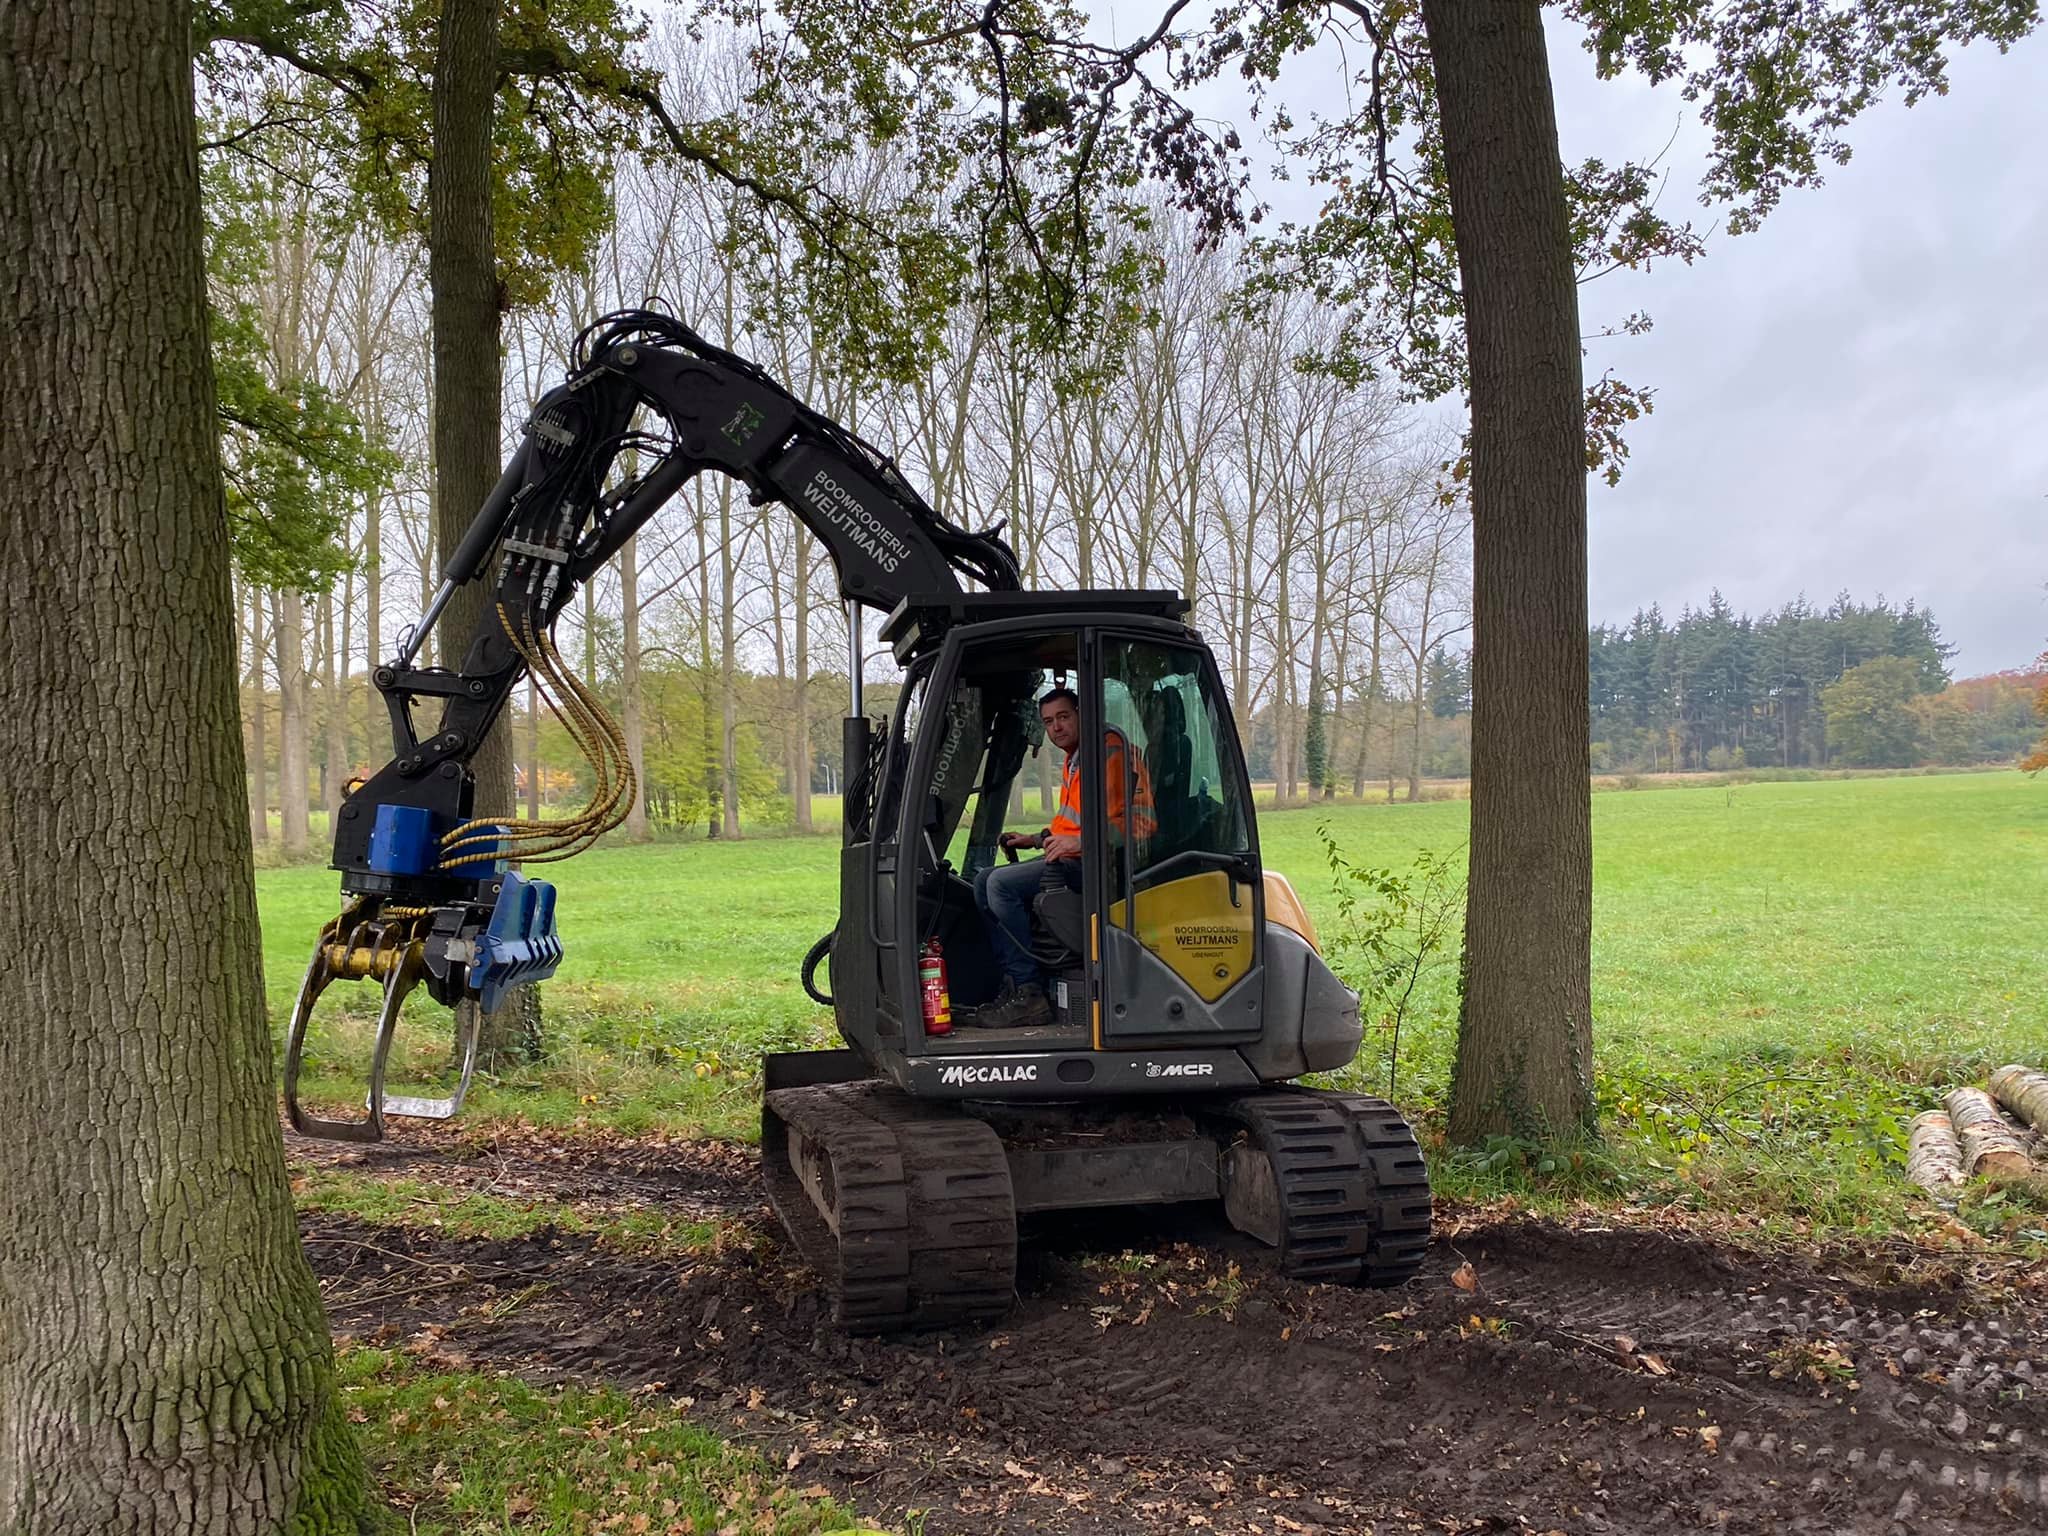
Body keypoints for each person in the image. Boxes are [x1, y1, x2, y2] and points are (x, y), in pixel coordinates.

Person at [970, 686, 1154, 1028]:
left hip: (1106, 868)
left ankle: (1030, 992)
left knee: (999, 886)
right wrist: (1036, 839)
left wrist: (1079, 843)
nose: (1056, 728)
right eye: (1048, 721)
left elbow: (1140, 826)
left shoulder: (1110, 753)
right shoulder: (1078, 758)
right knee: (981, 882)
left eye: (1064, 717)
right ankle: (1014, 985)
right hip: (1078, 858)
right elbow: (1073, 825)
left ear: (1083, 714)